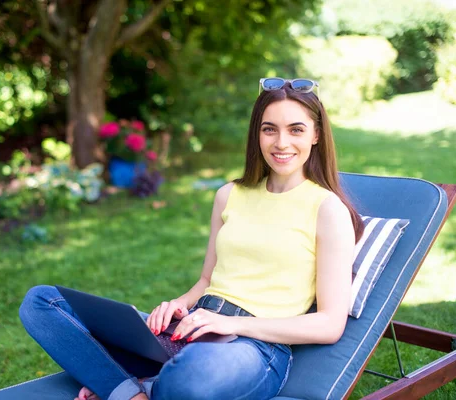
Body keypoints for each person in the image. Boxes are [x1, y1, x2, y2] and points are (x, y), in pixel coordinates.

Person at [19, 78, 364, 400]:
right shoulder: (230, 195)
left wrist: (228, 323)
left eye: (296, 130)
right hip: (191, 326)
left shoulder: (327, 209)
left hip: (254, 347)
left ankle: (123, 384)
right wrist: (178, 305)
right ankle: (135, 390)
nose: (281, 143)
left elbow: (330, 324)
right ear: (256, 134)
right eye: (269, 129)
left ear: (316, 135)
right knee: (42, 303)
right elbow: (206, 280)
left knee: (192, 376)